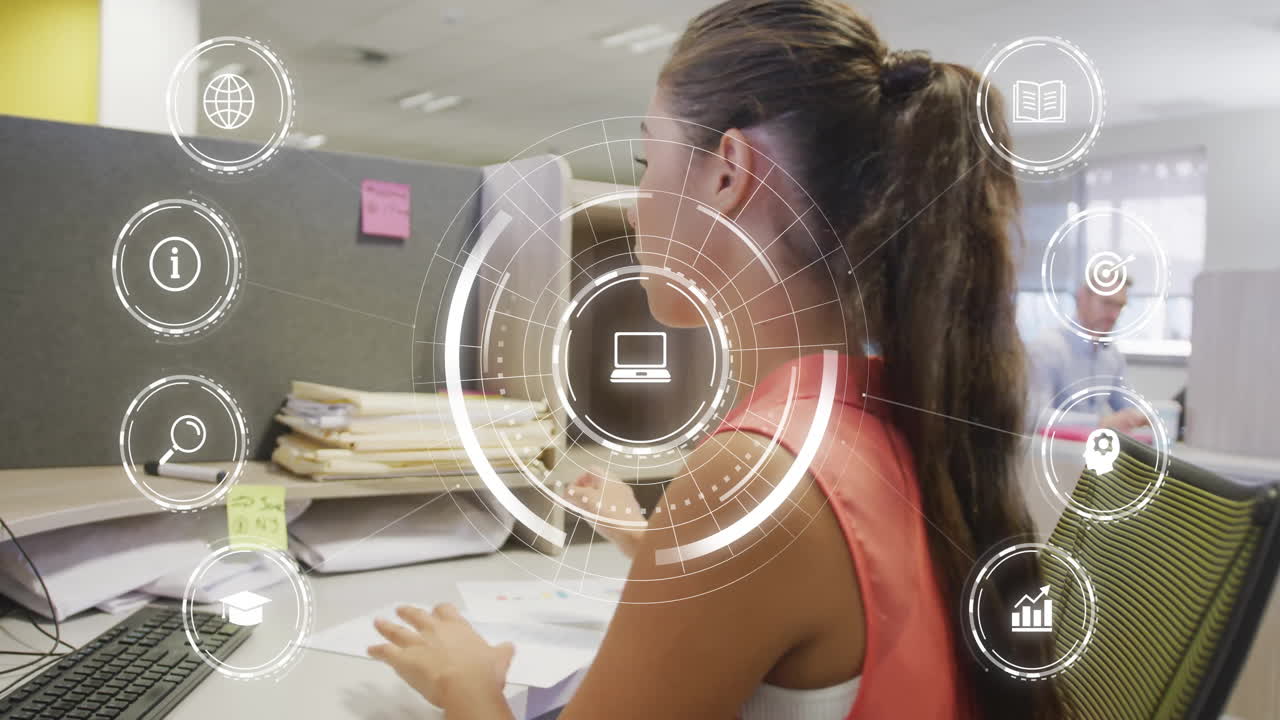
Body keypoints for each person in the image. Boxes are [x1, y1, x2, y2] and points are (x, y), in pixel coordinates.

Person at [367, 1, 1062, 718]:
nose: (638, 207)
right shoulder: (875, 416)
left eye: (648, 161)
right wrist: (651, 542)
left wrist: (466, 685)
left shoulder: (753, 477)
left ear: (727, 173)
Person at [1027, 280, 1149, 431]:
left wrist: (1143, 417)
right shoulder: (1046, 348)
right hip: (1055, 450)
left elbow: (1128, 408)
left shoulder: (1112, 355)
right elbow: (1036, 417)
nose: (1114, 314)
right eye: (1107, 303)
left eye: (1120, 306)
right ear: (1082, 298)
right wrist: (1099, 422)